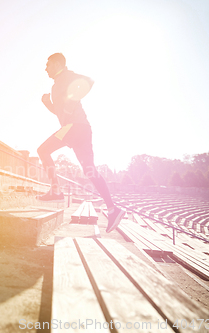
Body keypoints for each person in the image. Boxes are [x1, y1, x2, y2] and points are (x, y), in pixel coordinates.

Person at [36, 52, 124, 232]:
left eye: (49, 65)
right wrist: (48, 104)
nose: (46, 68)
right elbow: (61, 113)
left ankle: (56, 191)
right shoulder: (56, 86)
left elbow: (89, 81)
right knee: (89, 169)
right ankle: (113, 209)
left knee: (43, 151)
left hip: (73, 128)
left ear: (58, 64)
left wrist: (72, 100)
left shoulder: (67, 76)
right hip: (80, 129)